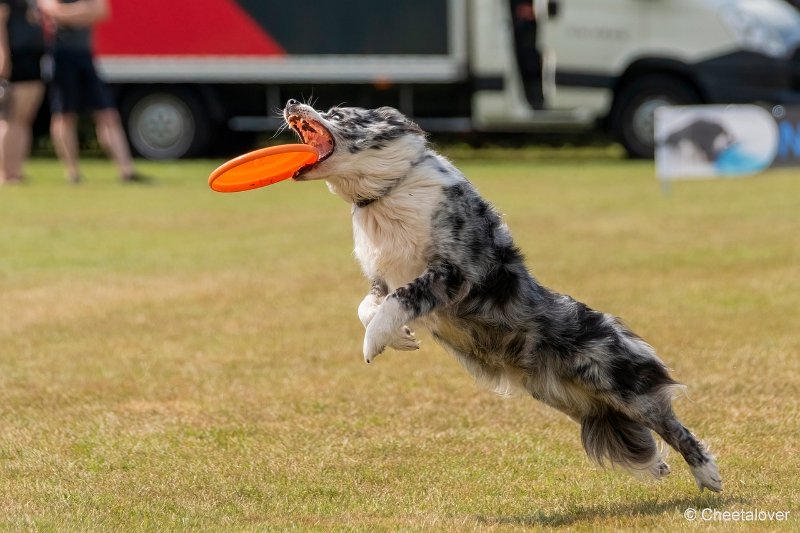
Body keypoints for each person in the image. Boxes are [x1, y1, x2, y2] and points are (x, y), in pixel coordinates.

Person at [37, 0, 145, 183]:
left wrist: (66, 14)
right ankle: (72, 173)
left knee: (108, 114)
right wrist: (83, 11)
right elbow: (48, 9)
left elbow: (102, 12)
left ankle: (127, 171)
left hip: (85, 56)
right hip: (60, 56)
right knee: (64, 115)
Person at [0, 0, 45, 185]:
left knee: (24, 120)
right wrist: (2, 55)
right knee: (9, 119)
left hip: (33, 58)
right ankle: (4, 172)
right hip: (14, 58)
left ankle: (16, 170)